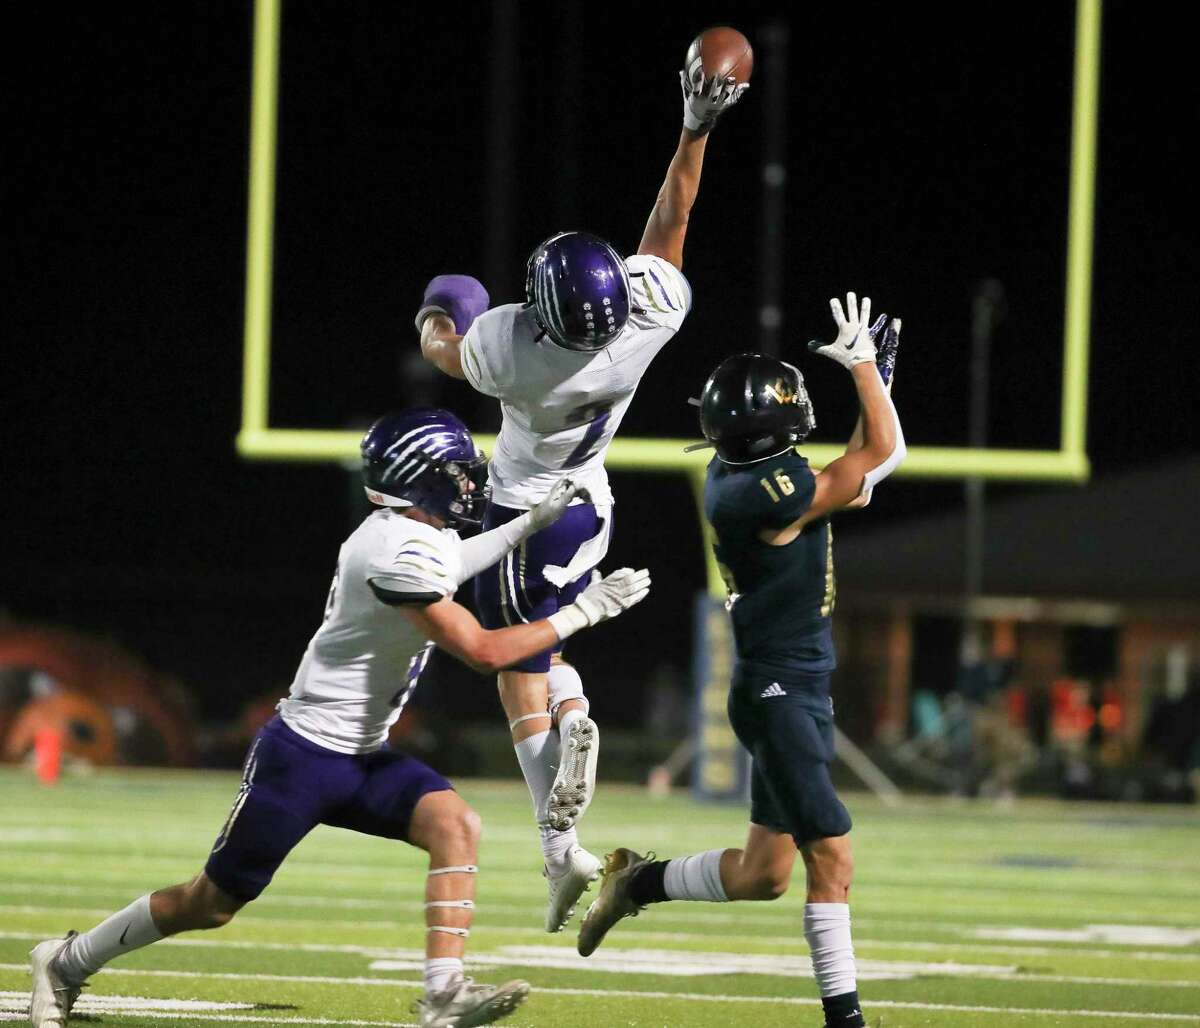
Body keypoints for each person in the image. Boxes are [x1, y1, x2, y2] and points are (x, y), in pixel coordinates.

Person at [28, 407, 650, 1028]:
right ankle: (65, 960)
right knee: (210, 902)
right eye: (460, 473)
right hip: (302, 756)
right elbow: (483, 651)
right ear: (422, 476)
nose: (473, 484)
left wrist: (524, 529)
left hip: (361, 755)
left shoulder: (414, 534)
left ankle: (443, 995)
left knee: (455, 823)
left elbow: (454, 562)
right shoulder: (393, 551)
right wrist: (583, 612)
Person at [413, 59, 748, 933]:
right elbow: (671, 219)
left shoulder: (507, 350)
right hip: (592, 506)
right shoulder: (646, 318)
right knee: (539, 654)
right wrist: (695, 128)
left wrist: (438, 318)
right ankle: (563, 812)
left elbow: (454, 342)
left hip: (525, 512)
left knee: (517, 668)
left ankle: (562, 809)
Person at [576, 294, 905, 1028]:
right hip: (784, 692)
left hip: (783, 688)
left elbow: (865, 466)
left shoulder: (750, 478)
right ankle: (845, 1022)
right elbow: (881, 457)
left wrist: (872, 381)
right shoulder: (766, 490)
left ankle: (638, 882)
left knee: (763, 875)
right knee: (834, 863)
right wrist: (863, 370)